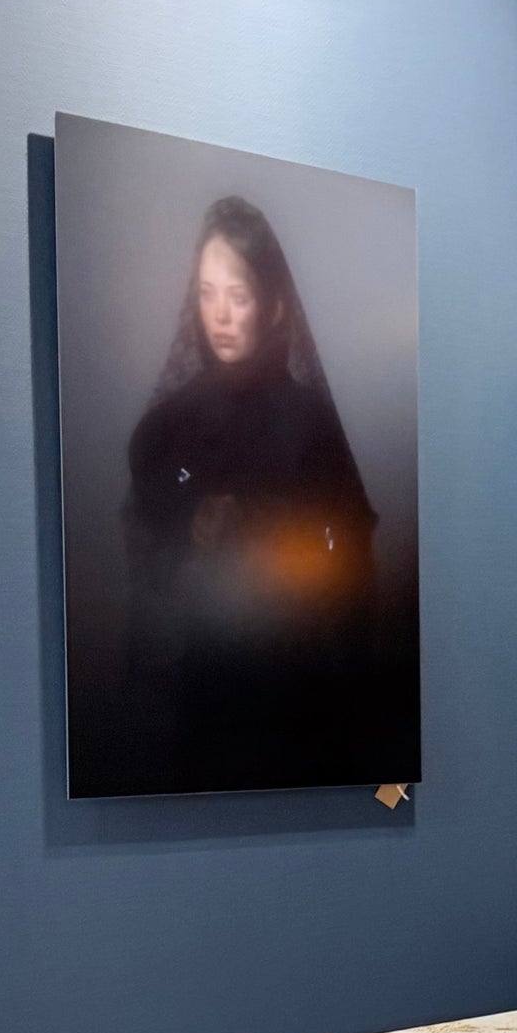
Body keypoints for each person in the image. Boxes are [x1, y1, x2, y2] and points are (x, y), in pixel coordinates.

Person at [123, 196, 384, 792]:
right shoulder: (169, 427)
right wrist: (191, 515)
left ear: (274, 305)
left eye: (237, 296)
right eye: (207, 293)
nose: (220, 314)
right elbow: (159, 502)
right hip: (201, 692)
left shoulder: (310, 422)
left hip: (301, 689)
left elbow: (344, 539)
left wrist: (281, 530)